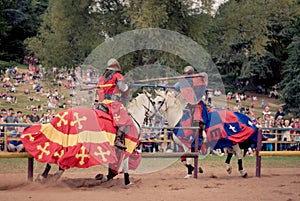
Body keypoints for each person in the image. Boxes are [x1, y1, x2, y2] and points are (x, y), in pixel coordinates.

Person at [96, 58, 131, 150]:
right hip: (114, 102)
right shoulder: (117, 76)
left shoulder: (104, 78)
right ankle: (118, 140)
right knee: (125, 119)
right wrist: (128, 85)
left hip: (105, 101)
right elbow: (123, 88)